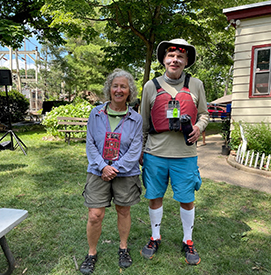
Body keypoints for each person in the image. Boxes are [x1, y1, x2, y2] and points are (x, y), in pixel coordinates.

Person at [140, 39, 209, 265]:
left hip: (185, 156)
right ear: (163, 59)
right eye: (171, 55)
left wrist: (199, 127)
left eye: (180, 57)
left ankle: (188, 240)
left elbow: (205, 114)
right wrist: (141, 150)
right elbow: (143, 122)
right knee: (154, 196)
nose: (175, 60)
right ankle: (155, 236)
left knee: (187, 199)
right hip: (155, 153)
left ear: (186, 61)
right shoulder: (150, 86)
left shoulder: (196, 84)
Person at [80, 69, 143, 274]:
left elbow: (135, 149)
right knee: (95, 215)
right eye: (115, 86)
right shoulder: (96, 113)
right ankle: (91, 253)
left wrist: (115, 168)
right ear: (109, 89)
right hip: (98, 170)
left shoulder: (135, 118)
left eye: (123, 86)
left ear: (129, 91)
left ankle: (123, 248)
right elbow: (90, 143)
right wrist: (103, 166)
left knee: (123, 210)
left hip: (125, 173)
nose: (118, 90)